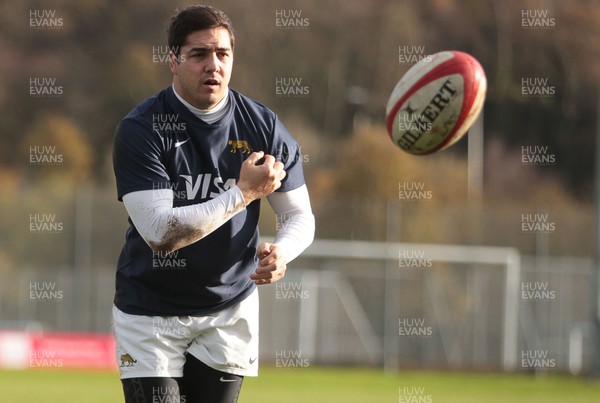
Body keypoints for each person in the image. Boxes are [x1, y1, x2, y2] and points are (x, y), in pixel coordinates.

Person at [111, 5, 315, 402]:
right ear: (173, 60)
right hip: (150, 309)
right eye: (199, 54)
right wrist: (244, 193)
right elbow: (159, 233)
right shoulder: (142, 129)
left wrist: (283, 252)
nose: (213, 65)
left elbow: (299, 215)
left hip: (228, 309)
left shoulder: (263, 126)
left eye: (222, 54)